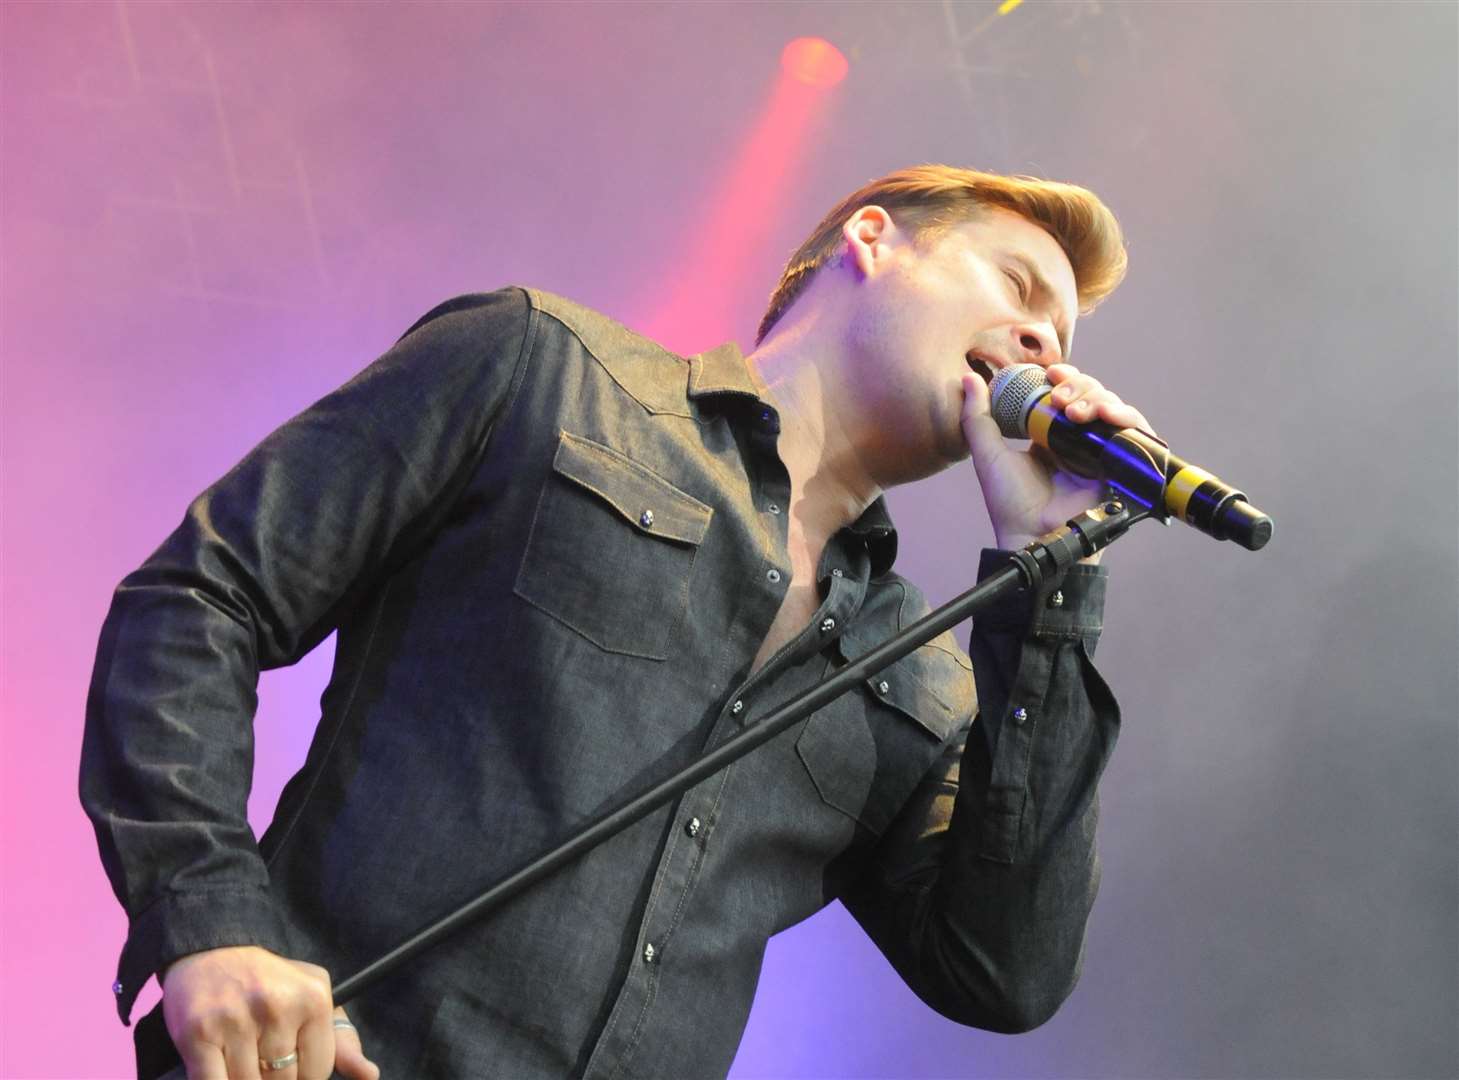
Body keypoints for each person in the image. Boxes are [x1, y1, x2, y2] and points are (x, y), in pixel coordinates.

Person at [82, 164, 1151, 1080]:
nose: (1043, 346)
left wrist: (1046, 573)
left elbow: (1002, 969)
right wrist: (209, 926)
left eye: (1059, 339)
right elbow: (198, 599)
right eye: (1019, 289)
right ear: (872, 241)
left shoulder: (925, 677)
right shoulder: (537, 368)